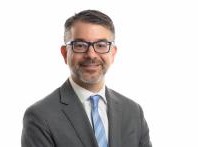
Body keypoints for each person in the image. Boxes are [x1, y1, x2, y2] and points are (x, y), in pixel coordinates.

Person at [21, 10, 152, 147]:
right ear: (65, 53)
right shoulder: (41, 116)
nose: (91, 55)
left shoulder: (133, 111)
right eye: (80, 46)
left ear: (113, 53)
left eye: (101, 45)